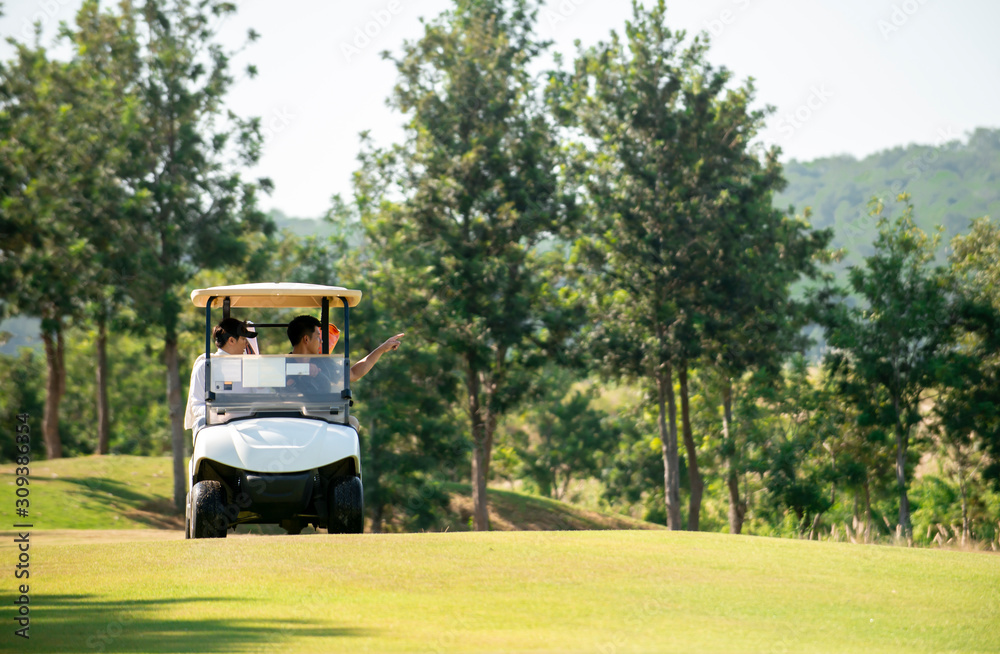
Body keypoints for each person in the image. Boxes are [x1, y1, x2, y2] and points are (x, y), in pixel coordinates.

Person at [184, 318, 258, 431]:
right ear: (232, 341)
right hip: (217, 428)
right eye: (243, 339)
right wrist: (220, 413)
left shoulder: (249, 367)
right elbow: (197, 405)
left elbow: (260, 398)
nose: (246, 343)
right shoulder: (205, 366)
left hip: (249, 424)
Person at [286, 314, 403, 382]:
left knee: (352, 421)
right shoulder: (281, 366)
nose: (321, 341)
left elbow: (354, 374)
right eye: (318, 337)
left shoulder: (324, 364)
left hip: (322, 417)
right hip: (289, 419)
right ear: (306, 339)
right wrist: (302, 370)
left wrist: (381, 349)